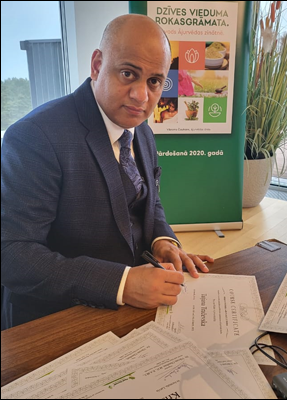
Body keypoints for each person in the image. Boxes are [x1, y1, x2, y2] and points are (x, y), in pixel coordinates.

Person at [1, 14, 214, 330]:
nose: (142, 96)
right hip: (57, 321)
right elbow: (14, 256)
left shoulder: (141, 131)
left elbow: (148, 202)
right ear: (97, 65)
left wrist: (162, 240)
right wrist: (124, 283)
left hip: (134, 313)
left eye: (154, 81)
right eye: (128, 73)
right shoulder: (35, 136)